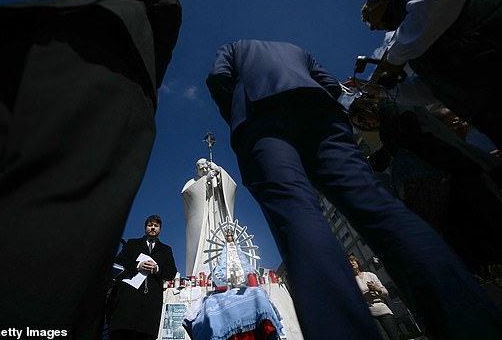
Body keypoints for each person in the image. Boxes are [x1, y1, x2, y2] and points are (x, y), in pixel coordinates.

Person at [0, 0, 181, 338]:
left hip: (29, 46)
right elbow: (168, 6)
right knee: (75, 206)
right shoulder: (141, 2)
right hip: (112, 72)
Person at [206, 39, 502, 340]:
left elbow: (218, 78)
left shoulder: (233, 47)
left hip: (259, 114)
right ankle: (472, 323)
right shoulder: (299, 51)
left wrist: (238, 111)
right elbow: (328, 83)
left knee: (295, 212)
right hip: (321, 113)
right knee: (375, 202)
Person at [361, 0, 502, 149]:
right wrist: (383, 91)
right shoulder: (413, 44)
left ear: (379, 0)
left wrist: (393, 61)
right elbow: (429, 91)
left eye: (369, 18)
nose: (372, 28)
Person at [348, 96, 502, 270]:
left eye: (362, 119)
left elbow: (414, 141)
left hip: (452, 177)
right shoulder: (392, 123)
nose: (366, 125)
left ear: (367, 107)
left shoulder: (395, 113)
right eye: (360, 125)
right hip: (449, 183)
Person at [106, 215, 177, 340]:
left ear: (160, 229)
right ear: (145, 228)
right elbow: (119, 263)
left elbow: (171, 273)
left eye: (156, 226)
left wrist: (157, 269)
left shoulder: (166, 250)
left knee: (145, 335)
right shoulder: (132, 244)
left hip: (150, 303)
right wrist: (137, 265)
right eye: (150, 225)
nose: (153, 228)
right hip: (128, 299)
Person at [182, 158, 237, 277]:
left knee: (222, 241)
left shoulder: (215, 177)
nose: (203, 169)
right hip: (203, 222)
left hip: (218, 216)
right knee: (204, 246)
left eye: (205, 166)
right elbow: (187, 194)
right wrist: (204, 181)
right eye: (200, 167)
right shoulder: (192, 182)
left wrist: (219, 172)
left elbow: (231, 187)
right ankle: (202, 273)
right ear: (196, 169)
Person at [349, 255, 400, 340]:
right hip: (369, 313)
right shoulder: (351, 281)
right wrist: (364, 295)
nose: (351, 263)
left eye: (352, 260)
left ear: (357, 261)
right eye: (349, 262)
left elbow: (386, 293)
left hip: (384, 311)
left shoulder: (370, 275)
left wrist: (376, 288)